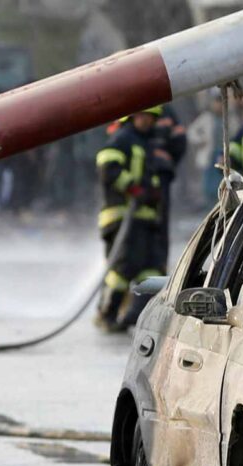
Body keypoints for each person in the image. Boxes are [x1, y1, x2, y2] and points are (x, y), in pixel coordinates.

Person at [94, 107, 171, 332]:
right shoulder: (123, 138)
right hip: (122, 217)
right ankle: (107, 313)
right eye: (142, 115)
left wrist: (152, 192)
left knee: (151, 269)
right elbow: (107, 164)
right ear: (131, 116)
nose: (146, 120)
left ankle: (137, 316)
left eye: (150, 116)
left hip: (144, 219)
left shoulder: (146, 143)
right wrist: (133, 188)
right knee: (123, 269)